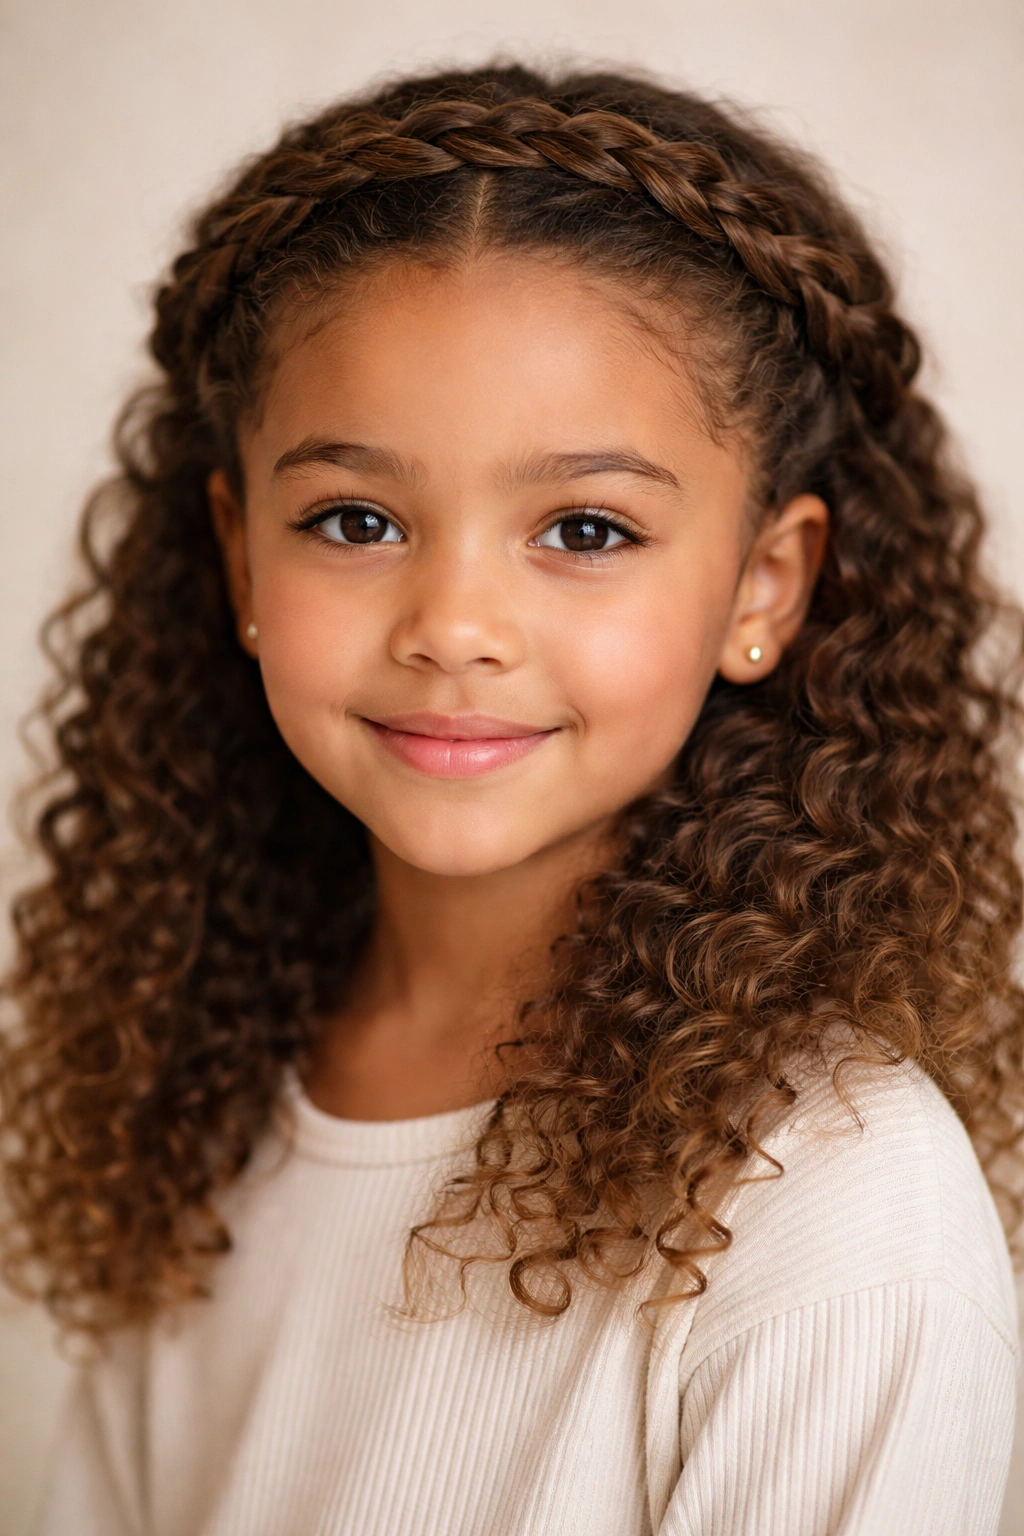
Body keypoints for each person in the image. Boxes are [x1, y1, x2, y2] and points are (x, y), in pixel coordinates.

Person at [2, 63, 1021, 1536]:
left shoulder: (832, 1195)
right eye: (356, 520)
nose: (454, 623)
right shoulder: (203, 1105)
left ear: (764, 584)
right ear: (239, 559)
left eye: (586, 528)